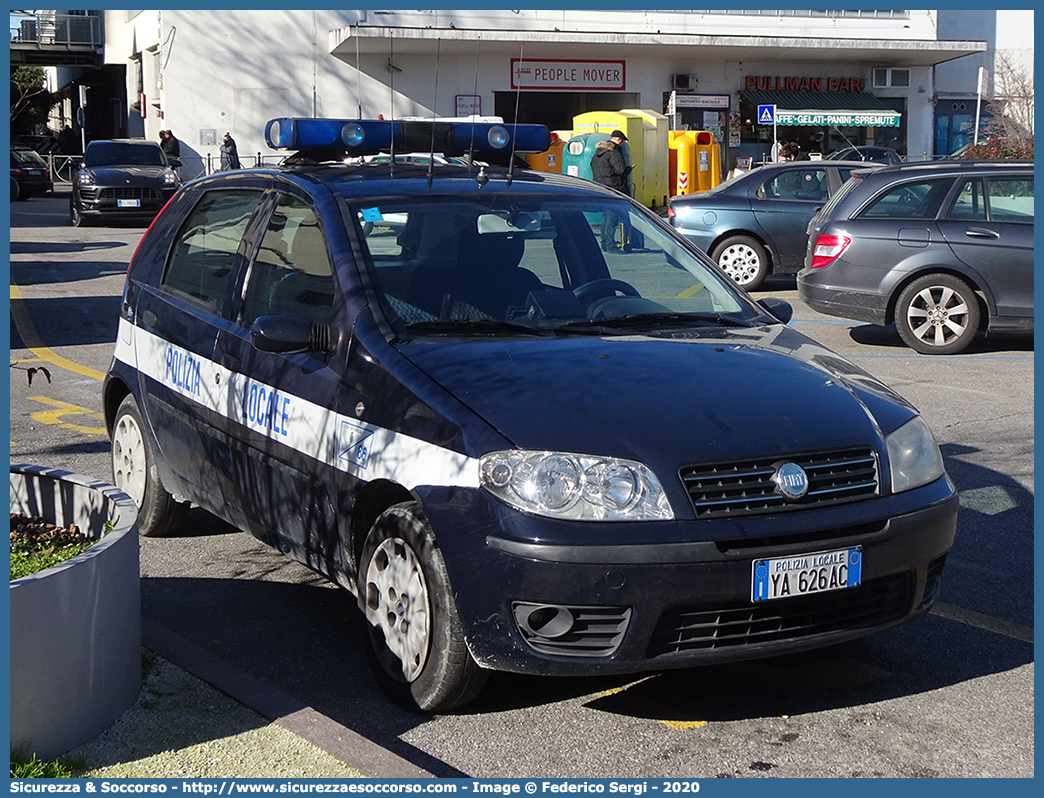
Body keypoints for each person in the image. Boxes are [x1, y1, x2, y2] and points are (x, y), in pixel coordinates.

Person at [589, 129, 633, 251]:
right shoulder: (614, 153)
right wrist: (629, 169)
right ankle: (610, 245)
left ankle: (604, 243)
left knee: (605, 217)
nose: (622, 144)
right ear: (619, 140)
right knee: (612, 218)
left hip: (601, 188)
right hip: (614, 189)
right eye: (623, 142)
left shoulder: (597, 154)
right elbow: (621, 170)